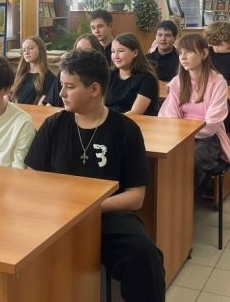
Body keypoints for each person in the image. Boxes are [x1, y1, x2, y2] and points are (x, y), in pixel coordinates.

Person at [25, 49, 165, 302]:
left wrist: (89, 209)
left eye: (70, 87)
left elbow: (136, 197)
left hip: (107, 215)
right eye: (62, 85)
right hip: (54, 216)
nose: (61, 93)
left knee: (145, 256)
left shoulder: (125, 130)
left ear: (94, 89)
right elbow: (32, 177)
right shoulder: (54, 125)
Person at [158, 34, 230, 191]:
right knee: (160, 158)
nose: (183, 57)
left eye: (188, 52)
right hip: (180, 136)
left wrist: (185, 131)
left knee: (191, 160)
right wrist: (181, 134)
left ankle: (183, 198)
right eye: (180, 53)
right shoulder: (177, 82)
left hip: (208, 137)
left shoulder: (218, 82)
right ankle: (169, 200)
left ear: (204, 53)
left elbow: (211, 125)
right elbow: (168, 117)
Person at [42, 33, 102, 107]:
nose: (81, 54)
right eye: (78, 50)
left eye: (86, 51)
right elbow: (50, 103)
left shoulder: (101, 76)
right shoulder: (65, 72)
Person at [106, 33, 160, 115]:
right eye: (113, 52)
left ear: (135, 53)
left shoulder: (147, 79)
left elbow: (135, 113)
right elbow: (100, 106)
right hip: (109, 119)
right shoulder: (109, 74)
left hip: (133, 121)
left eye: (120, 51)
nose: (115, 56)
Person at [11, 36, 55, 104]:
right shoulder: (18, 73)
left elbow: (42, 105)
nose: (26, 52)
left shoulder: (49, 78)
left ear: (40, 50)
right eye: (24, 50)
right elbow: (8, 94)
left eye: (31, 48)